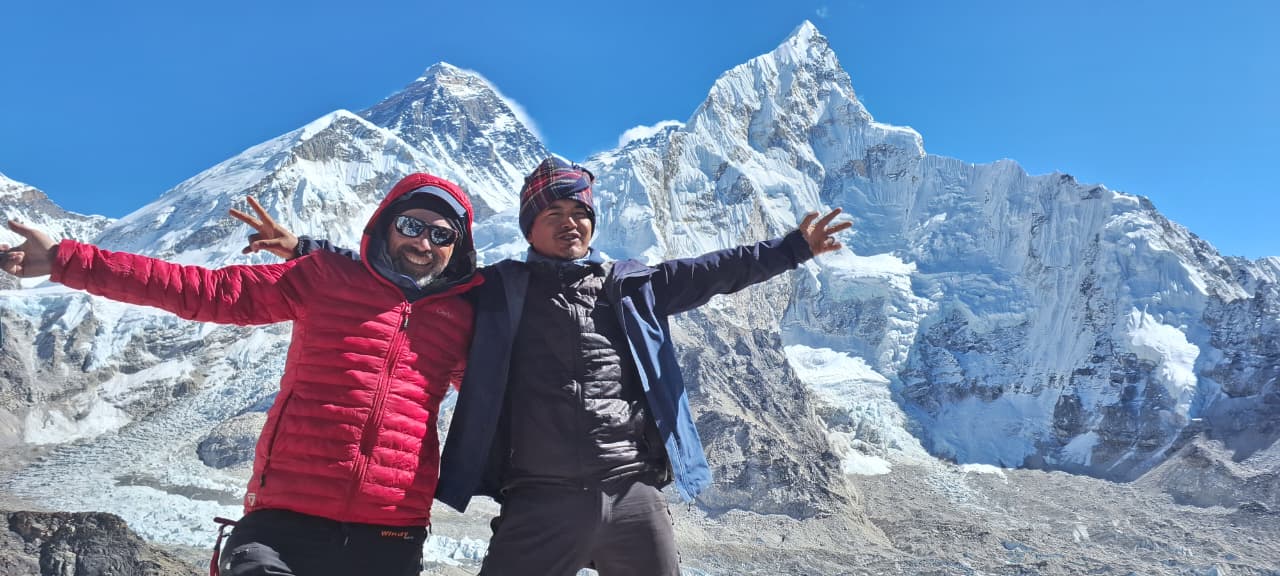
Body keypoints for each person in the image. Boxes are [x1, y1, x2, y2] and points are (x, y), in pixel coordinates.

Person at [248, 156, 851, 575]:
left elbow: (716, 271)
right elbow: (414, 266)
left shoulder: (632, 285)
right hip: (540, 497)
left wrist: (795, 247)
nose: (572, 223)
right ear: (530, 228)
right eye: (554, 214)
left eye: (581, 214)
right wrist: (306, 249)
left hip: (632, 490)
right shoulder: (498, 287)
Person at [1, 172, 484, 576]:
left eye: (442, 235)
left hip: (390, 532)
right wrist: (68, 261)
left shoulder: (461, 319)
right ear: (385, 225)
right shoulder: (323, 277)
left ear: (457, 248)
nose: (423, 242)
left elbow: (504, 391)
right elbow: (203, 291)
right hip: (284, 522)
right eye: (411, 225)